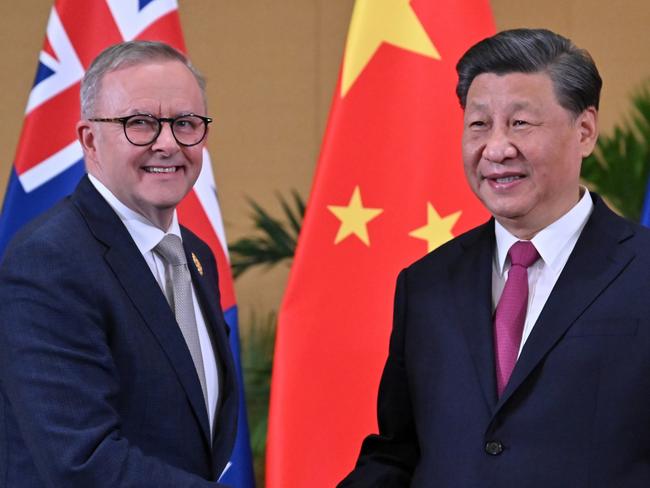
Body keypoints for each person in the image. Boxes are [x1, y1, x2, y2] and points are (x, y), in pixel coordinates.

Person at [339, 28, 650, 487]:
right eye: (479, 125)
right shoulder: (425, 285)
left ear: (584, 131)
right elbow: (400, 453)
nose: (497, 148)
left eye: (520, 123)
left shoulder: (641, 271)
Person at [0, 41, 238, 487]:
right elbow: (81, 461)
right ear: (90, 140)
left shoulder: (196, 256)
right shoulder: (48, 262)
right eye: (140, 123)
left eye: (185, 123)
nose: (167, 143)